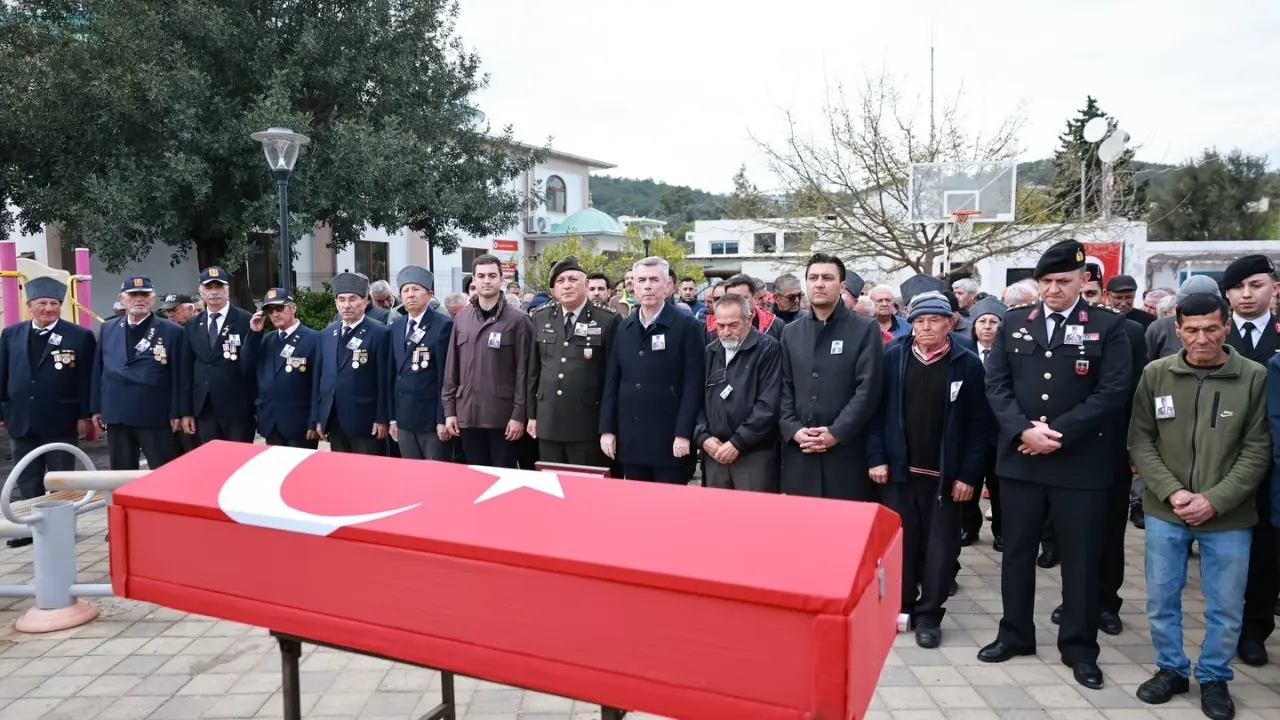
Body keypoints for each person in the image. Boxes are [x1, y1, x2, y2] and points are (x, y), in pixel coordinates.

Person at [978, 239, 1132, 691]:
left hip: (1080, 464)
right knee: (1017, 554)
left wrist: (1057, 434)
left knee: (1081, 559)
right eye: (1046, 281)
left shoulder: (1106, 326)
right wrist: (1023, 430)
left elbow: (1112, 391)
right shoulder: (1013, 324)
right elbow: (997, 386)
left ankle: (1080, 647)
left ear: (1084, 280)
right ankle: (1015, 633)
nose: (1053, 290)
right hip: (1021, 459)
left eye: (1063, 281)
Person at [1130, 293, 1269, 720]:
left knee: (1226, 604)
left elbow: (1258, 449)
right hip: (1165, 511)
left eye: (1211, 328)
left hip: (1228, 516)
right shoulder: (1156, 374)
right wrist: (1173, 493)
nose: (1201, 338)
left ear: (1227, 327)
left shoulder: (1253, 377)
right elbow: (1140, 439)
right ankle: (1171, 668)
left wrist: (1214, 500)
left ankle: (1213, 675)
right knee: (1160, 598)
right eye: (1191, 330)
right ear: (1178, 331)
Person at [867, 290, 990, 647]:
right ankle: (900, 606)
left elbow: (980, 427)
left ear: (951, 323)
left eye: (934, 320)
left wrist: (968, 475)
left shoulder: (967, 363)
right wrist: (877, 457)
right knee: (900, 546)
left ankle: (930, 615)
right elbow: (874, 414)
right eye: (919, 321)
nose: (925, 328)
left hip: (945, 478)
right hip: (898, 473)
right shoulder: (893, 356)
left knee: (939, 551)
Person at [779, 253, 884, 500]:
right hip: (800, 452)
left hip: (845, 454)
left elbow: (868, 390)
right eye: (813, 277)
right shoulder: (791, 332)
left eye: (827, 277)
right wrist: (793, 429)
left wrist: (836, 433)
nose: (819, 283)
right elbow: (783, 386)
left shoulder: (865, 328)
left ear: (842, 285)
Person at [0, 277, 96, 547]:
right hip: (20, 416)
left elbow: (86, 379)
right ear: (29, 305)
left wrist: (85, 415)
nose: (48, 308)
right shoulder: (11, 334)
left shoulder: (79, 336)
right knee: (27, 477)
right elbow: (2, 372)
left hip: (61, 418)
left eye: (54, 303)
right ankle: (30, 529)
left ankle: (61, 528)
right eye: (42, 303)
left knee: (61, 477)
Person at [1218, 254, 1280, 667]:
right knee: (1224, 552)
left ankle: (1254, 629)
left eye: (1255, 285)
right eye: (1238, 288)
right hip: (1224, 462)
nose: (1246, 294)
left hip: (1274, 468)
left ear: (1273, 287)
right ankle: (1222, 623)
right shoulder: (1213, 337)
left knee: (1266, 552)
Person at [600, 256, 704, 483]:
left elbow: (693, 385)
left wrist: (684, 433)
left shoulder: (687, 326)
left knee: (669, 512)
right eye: (642, 280)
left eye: (654, 279)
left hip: (670, 439)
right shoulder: (624, 326)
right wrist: (607, 429)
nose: (647, 285)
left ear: (668, 286)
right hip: (632, 437)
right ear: (633, 286)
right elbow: (613, 381)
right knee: (636, 511)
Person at [442, 254, 534, 468]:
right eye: (481, 276)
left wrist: (519, 415)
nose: (486, 280)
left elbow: (525, 373)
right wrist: (449, 411)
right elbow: (451, 369)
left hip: (502, 418)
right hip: (468, 415)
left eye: (492, 275)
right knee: (475, 481)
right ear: (473, 280)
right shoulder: (462, 319)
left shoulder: (518, 320)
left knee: (503, 482)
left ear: (501, 279)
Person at [526, 257, 619, 466]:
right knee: (552, 487)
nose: (566, 285)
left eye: (572, 279)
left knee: (586, 490)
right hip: (548, 419)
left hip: (586, 422)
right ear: (553, 290)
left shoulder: (607, 319)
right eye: (560, 281)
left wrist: (608, 426)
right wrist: (531, 415)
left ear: (586, 284)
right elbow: (534, 370)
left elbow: (612, 377)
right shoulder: (541, 317)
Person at [90, 276, 184, 471]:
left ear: (153, 298)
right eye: (133, 294)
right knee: (121, 474)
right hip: (117, 413)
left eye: (144, 295)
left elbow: (179, 376)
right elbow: (98, 370)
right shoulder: (108, 328)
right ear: (122, 298)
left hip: (155, 414)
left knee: (164, 472)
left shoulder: (171, 331)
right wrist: (97, 407)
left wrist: (178, 411)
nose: (139, 299)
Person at [694, 294, 783, 492]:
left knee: (753, 518)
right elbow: (695, 399)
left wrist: (737, 442)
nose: (726, 332)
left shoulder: (768, 349)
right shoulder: (711, 351)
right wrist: (703, 437)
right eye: (721, 326)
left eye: (733, 325)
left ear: (749, 319)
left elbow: (768, 404)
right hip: (714, 452)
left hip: (753, 455)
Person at [313, 272, 392, 455]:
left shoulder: (379, 333)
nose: (346, 305)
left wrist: (382, 418)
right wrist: (319, 417)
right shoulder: (327, 333)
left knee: (370, 476)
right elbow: (321, 378)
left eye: (352, 299)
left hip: (367, 421)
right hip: (335, 420)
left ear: (365, 302)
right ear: (336, 303)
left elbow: (384, 380)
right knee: (342, 476)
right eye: (341, 299)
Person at [178, 266, 256, 444]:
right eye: (208, 287)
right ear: (200, 291)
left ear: (228, 290)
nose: (214, 292)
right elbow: (186, 370)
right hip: (204, 408)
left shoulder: (245, 320)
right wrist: (186, 411)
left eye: (219, 287)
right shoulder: (192, 324)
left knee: (238, 464)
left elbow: (253, 365)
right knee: (210, 465)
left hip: (237, 408)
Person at [388, 266, 453, 461]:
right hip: (404, 418)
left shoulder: (443, 325)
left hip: (431, 419)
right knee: (411, 476)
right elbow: (391, 375)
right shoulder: (396, 326)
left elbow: (445, 377)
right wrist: (392, 419)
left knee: (436, 478)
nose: (410, 295)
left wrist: (442, 418)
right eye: (406, 291)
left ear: (429, 294)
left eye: (416, 289)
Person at [245, 288, 320, 449]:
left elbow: (318, 383)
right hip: (271, 421)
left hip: (299, 421)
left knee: (301, 472)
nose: (275, 314)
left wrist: (314, 419)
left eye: (279, 308)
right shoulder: (265, 339)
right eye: (270, 311)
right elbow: (246, 365)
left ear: (293, 308)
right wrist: (253, 334)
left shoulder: (314, 339)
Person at [963, 295, 1007, 550]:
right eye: (983, 321)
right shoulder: (963, 352)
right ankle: (968, 527)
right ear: (974, 326)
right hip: (971, 431)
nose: (988, 326)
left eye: (993, 321)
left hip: (1000, 432)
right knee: (970, 481)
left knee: (999, 485)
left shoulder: (1008, 354)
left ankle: (1001, 531)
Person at [1147, 276, 1221, 359]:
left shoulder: (1225, 325)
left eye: (1211, 329)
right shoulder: (1159, 328)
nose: (1202, 340)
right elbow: (1148, 366)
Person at [709, 274, 785, 342]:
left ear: (755, 298)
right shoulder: (713, 328)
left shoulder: (774, 324)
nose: (737, 303)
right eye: (731, 299)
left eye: (743, 298)